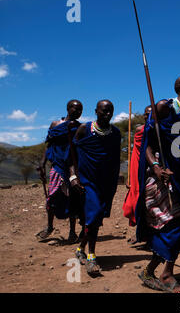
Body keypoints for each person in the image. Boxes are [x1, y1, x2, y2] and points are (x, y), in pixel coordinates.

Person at [135, 75, 180, 293]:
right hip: (158, 177)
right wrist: (156, 167)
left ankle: (160, 271)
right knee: (173, 223)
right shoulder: (164, 107)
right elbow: (147, 143)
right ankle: (162, 273)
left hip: (179, 177)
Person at [70, 100, 121, 276]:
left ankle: (80, 248)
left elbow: (114, 159)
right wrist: (73, 176)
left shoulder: (115, 133)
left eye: (110, 111)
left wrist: (114, 182)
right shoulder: (84, 130)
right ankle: (91, 256)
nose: (107, 114)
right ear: (96, 111)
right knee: (94, 214)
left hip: (106, 182)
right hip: (87, 181)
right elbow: (71, 155)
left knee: (96, 218)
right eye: (104, 111)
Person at [36, 100, 84, 244]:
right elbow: (49, 145)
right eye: (75, 109)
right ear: (68, 109)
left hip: (73, 167)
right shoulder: (55, 125)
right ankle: (50, 226)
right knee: (52, 197)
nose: (77, 112)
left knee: (72, 198)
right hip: (57, 166)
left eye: (80, 110)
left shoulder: (80, 127)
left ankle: (72, 232)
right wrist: (42, 163)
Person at [123, 106, 152, 244]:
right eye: (146, 114)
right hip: (137, 169)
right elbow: (135, 154)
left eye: (151, 114)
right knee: (137, 201)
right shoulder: (141, 130)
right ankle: (140, 232)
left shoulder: (157, 130)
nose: (148, 116)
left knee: (150, 202)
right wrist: (130, 176)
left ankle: (148, 235)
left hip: (151, 169)